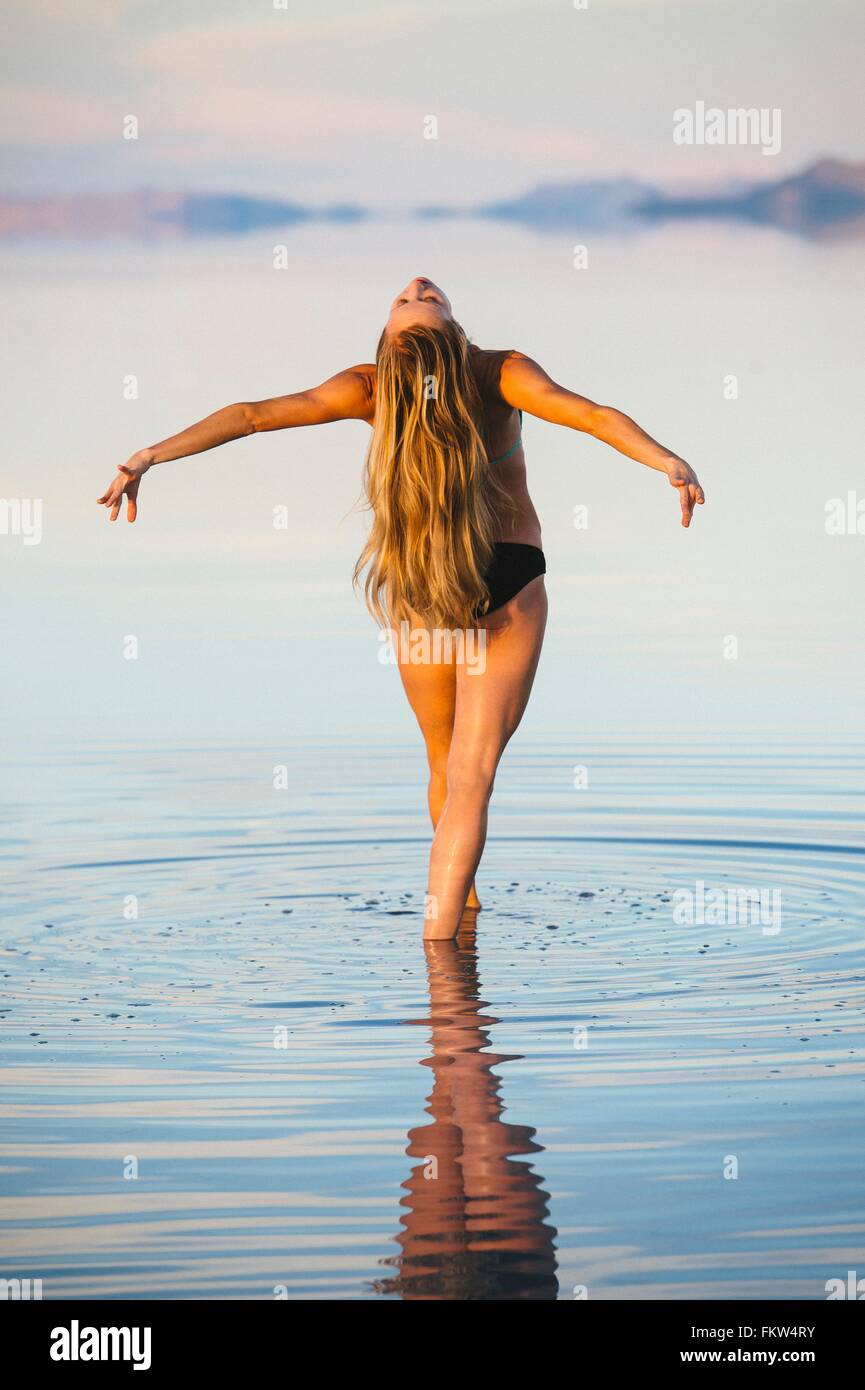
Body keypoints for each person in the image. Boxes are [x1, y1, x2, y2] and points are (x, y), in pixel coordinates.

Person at [97, 276, 705, 940]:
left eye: (417, 295)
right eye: (414, 298)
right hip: (507, 575)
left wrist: (149, 455)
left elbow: (254, 415)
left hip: (419, 586)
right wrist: (664, 458)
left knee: (444, 763)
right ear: (449, 332)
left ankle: (450, 936)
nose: (416, 284)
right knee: (469, 775)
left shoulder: (369, 386)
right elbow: (584, 413)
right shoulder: (499, 371)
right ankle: (447, 936)